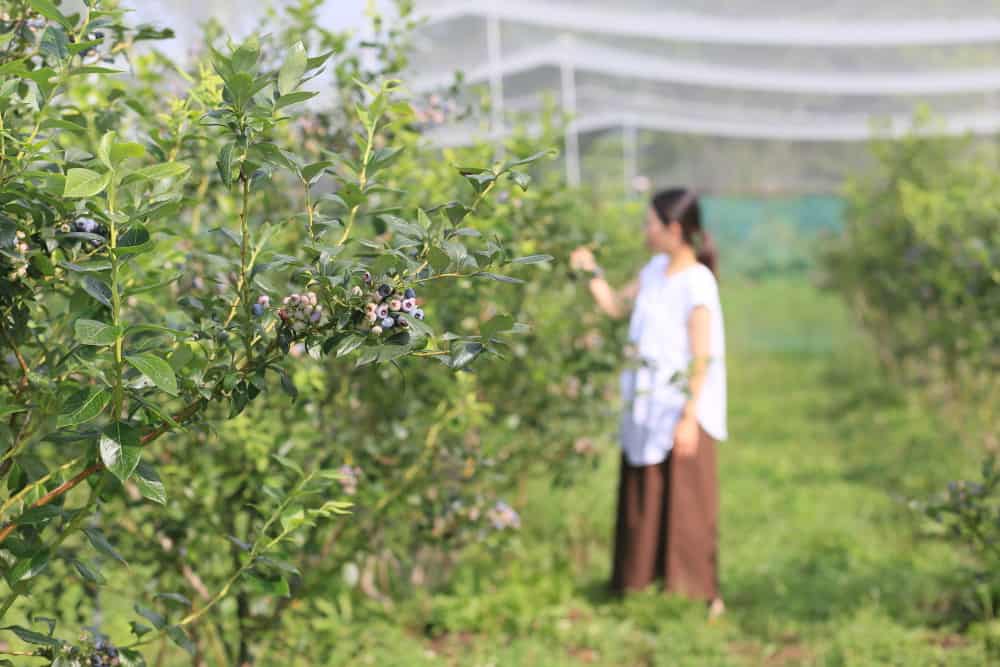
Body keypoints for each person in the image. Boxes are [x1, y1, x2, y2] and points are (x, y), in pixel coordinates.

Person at [570, 188, 727, 619]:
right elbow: (616, 307)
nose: (645, 231)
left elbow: (702, 355)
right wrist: (589, 272)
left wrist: (690, 417)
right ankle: (640, 585)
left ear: (674, 229)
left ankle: (699, 594)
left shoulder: (697, 282)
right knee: (646, 495)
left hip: (681, 408)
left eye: (650, 224)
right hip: (646, 403)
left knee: (688, 505)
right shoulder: (656, 269)